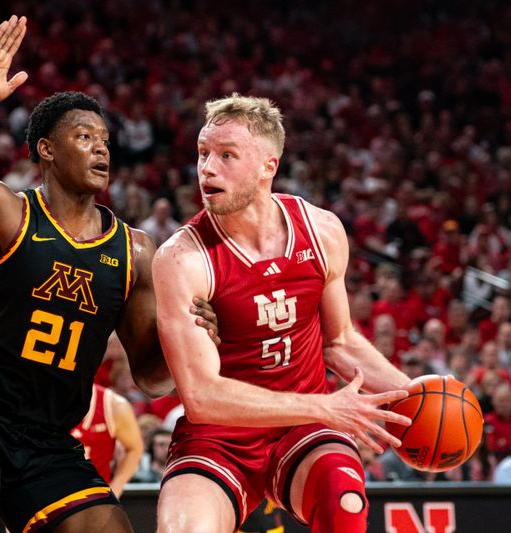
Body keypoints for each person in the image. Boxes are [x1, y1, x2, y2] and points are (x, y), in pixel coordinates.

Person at [0, 16, 217, 533]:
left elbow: (151, 378)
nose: (102, 148)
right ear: (46, 149)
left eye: (105, 139)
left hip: (52, 440)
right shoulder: (6, 211)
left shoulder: (136, 251)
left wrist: (193, 339)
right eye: (84, 137)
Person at [152, 94, 412, 533]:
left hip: (302, 431)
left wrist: (412, 401)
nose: (207, 168)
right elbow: (200, 396)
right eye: (203, 153)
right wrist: (325, 406)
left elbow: (340, 342)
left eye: (226, 155)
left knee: (345, 504)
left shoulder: (322, 230)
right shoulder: (181, 258)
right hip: (220, 436)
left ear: (267, 166)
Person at [71, 384, 143, 498]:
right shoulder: (38, 399)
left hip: (93, 498)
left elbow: (135, 449)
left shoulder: (113, 405)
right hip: (46, 497)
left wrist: (116, 487)